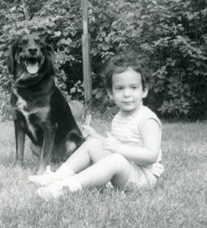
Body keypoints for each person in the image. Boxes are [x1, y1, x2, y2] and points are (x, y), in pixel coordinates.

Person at [28, 52, 164, 200]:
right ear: (111, 93)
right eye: (120, 88)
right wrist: (96, 136)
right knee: (92, 144)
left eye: (133, 87)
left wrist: (119, 149)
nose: (127, 94)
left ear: (144, 90)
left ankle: (67, 187)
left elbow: (151, 156)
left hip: (143, 177)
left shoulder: (147, 120)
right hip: (126, 167)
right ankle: (57, 177)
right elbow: (114, 145)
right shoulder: (119, 117)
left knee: (115, 160)